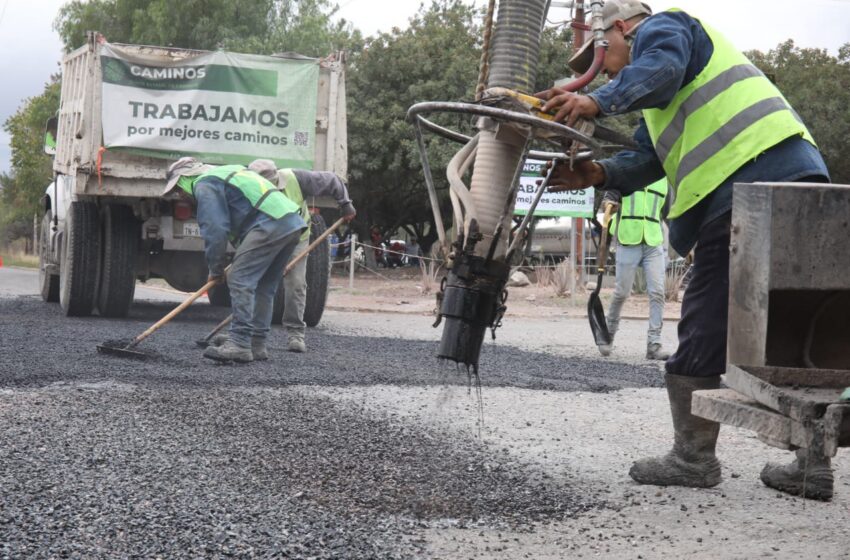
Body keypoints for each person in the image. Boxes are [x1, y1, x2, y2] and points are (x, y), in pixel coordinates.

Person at [536, 0, 832, 498]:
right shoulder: (657, 100)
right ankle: (812, 468)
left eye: (599, 55)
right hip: (799, 177)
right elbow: (648, 158)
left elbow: (660, 68)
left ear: (622, 29)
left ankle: (693, 458)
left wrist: (598, 101)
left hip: (744, 183)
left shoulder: (666, 28)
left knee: (704, 322)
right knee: (796, 323)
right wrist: (600, 173)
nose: (598, 70)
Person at [163, 157, 306, 363]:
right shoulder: (230, 171)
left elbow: (215, 229)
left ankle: (239, 342)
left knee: (239, 279)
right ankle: (256, 343)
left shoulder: (204, 183)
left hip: (270, 224)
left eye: (178, 189)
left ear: (185, 177)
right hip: (290, 223)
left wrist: (216, 268)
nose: (180, 195)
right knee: (265, 286)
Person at [247, 159, 357, 353]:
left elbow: (333, 180)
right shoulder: (248, 190)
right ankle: (249, 333)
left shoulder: (295, 178)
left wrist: (345, 205)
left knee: (296, 283)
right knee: (257, 283)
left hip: (297, 237)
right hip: (266, 238)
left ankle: (295, 333)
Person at [599, 177, 670, 361]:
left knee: (658, 293)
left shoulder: (663, 180)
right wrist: (608, 204)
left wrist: (686, 244)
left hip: (653, 242)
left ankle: (653, 344)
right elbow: (610, 196)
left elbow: (671, 215)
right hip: (628, 239)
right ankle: (608, 335)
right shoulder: (629, 172)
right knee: (622, 293)